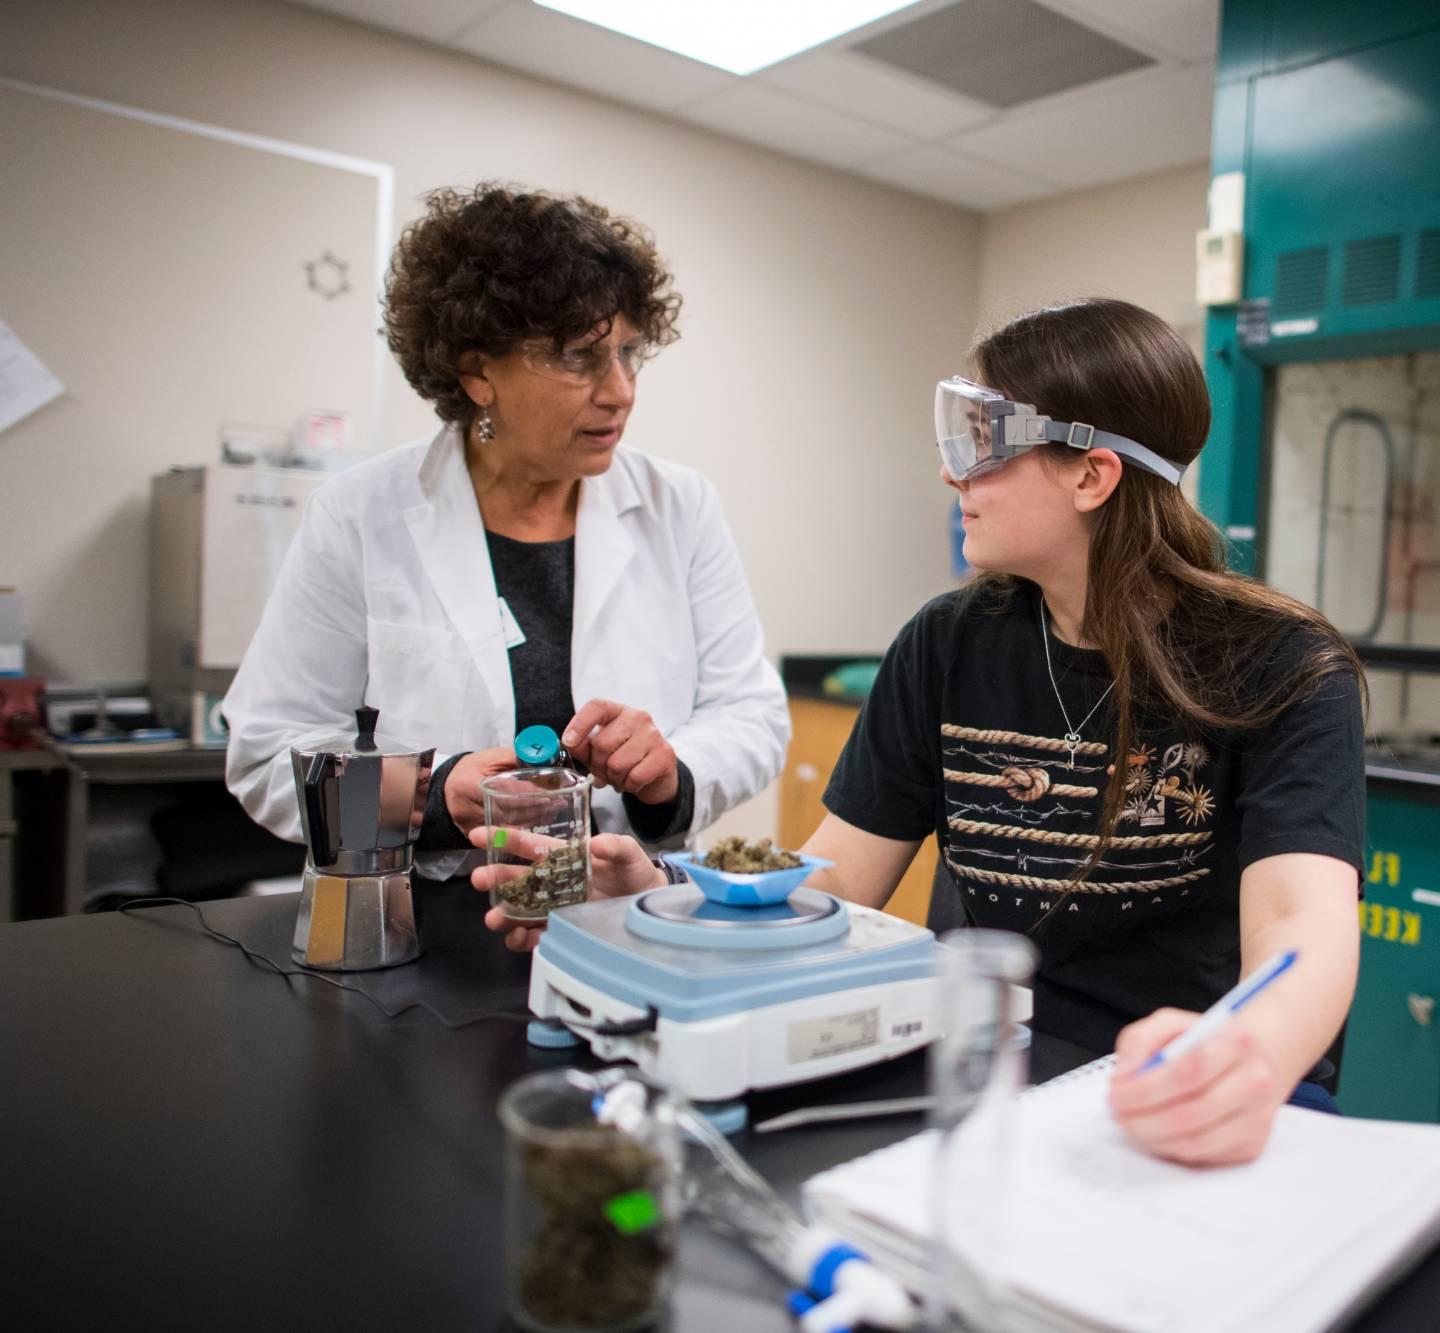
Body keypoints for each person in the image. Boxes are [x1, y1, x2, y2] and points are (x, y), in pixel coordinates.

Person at [480, 298, 1364, 1166]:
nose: (954, 474)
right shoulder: (948, 644)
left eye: (983, 441)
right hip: (997, 1068)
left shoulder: (1279, 663)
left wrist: (1247, 1049)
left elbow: (1302, 932)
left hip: (1182, 1083)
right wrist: (671, 895)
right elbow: (834, 884)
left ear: (1092, 475)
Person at [226, 183, 788, 887]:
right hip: (426, 929)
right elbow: (265, 752)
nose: (620, 390)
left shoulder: (679, 506)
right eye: (581, 355)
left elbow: (753, 715)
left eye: (628, 353)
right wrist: (428, 796)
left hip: (625, 914)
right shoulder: (359, 515)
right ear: (477, 373)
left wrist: (670, 772)